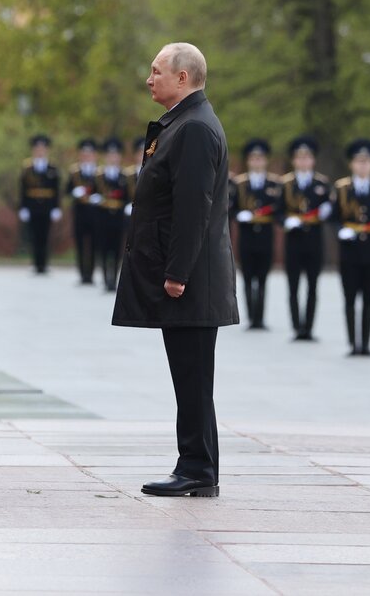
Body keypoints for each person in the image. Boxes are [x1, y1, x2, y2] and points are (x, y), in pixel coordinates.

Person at [113, 42, 237, 498]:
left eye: (157, 71)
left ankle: (197, 468)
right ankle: (197, 466)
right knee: (190, 377)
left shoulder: (195, 130)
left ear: (183, 78)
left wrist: (177, 273)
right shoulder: (184, 123)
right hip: (188, 277)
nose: (149, 79)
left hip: (193, 281)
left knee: (192, 376)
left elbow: (193, 210)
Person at [333, 139, 370, 356]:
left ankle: (365, 343)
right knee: (349, 298)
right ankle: (352, 343)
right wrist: (340, 230)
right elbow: (334, 216)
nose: (363, 165)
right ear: (352, 164)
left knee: (368, 299)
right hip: (349, 252)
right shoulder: (342, 188)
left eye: (367, 161)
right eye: (359, 161)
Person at [278, 136, 333, 341]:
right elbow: (278, 212)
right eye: (299, 158)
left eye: (307, 157)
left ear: (313, 160)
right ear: (294, 161)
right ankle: (296, 327)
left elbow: (330, 208)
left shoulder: (321, 183)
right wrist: (286, 221)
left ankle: (308, 328)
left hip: (314, 240)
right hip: (293, 240)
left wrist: (327, 210)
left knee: (312, 285)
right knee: (293, 286)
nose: (303, 161)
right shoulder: (286, 184)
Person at [229, 139, 280, 329]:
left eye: (260, 159)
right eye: (253, 159)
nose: (257, 162)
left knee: (263, 278)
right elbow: (231, 208)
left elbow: (278, 209)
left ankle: (260, 317)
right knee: (249, 277)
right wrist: (239, 215)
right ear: (249, 161)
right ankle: (251, 316)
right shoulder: (240, 184)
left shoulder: (274, 184)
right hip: (247, 235)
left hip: (265, 235)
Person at [17, 134, 62, 274]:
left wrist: (56, 207)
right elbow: (23, 189)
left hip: (47, 206)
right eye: (37, 149)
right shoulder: (27, 168)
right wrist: (23, 207)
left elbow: (56, 190)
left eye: (42, 149)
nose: (40, 151)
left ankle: (44, 264)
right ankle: (36, 263)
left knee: (45, 235)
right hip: (32, 206)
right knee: (34, 235)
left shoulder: (52, 169)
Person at [95, 137, 133, 292]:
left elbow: (129, 195)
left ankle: (114, 279)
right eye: (110, 155)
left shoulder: (125, 176)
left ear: (119, 157)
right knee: (104, 248)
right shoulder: (99, 176)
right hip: (103, 216)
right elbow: (92, 191)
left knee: (117, 249)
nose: (112, 158)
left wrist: (129, 205)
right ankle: (105, 278)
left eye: (115, 155)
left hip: (118, 216)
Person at [67, 138, 100, 284]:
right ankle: (82, 274)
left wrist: (97, 196)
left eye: (90, 154)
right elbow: (67, 190)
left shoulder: (99, 172)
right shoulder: (75, 172)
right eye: (84, 154)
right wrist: (74, 192)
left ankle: (91, 274)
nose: (87, 157)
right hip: (80, 212)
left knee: (94, 244)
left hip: (95, 213)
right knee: (80, 243)